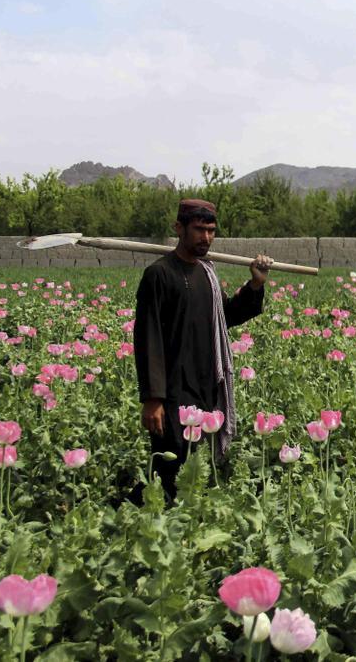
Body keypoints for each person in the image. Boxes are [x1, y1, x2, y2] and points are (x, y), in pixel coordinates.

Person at [134, 198, 273, 501]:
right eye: (198, 230)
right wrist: (152, 399)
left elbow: (227, 316)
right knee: (168, 469)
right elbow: (148, 339)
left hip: (204, 384)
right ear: (179, 228)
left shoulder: (206, 275)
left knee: (196, 469)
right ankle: (137, 516)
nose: (206, 238)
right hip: (171, 392)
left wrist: (255, 285)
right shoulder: (159, 275)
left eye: (211, 231)